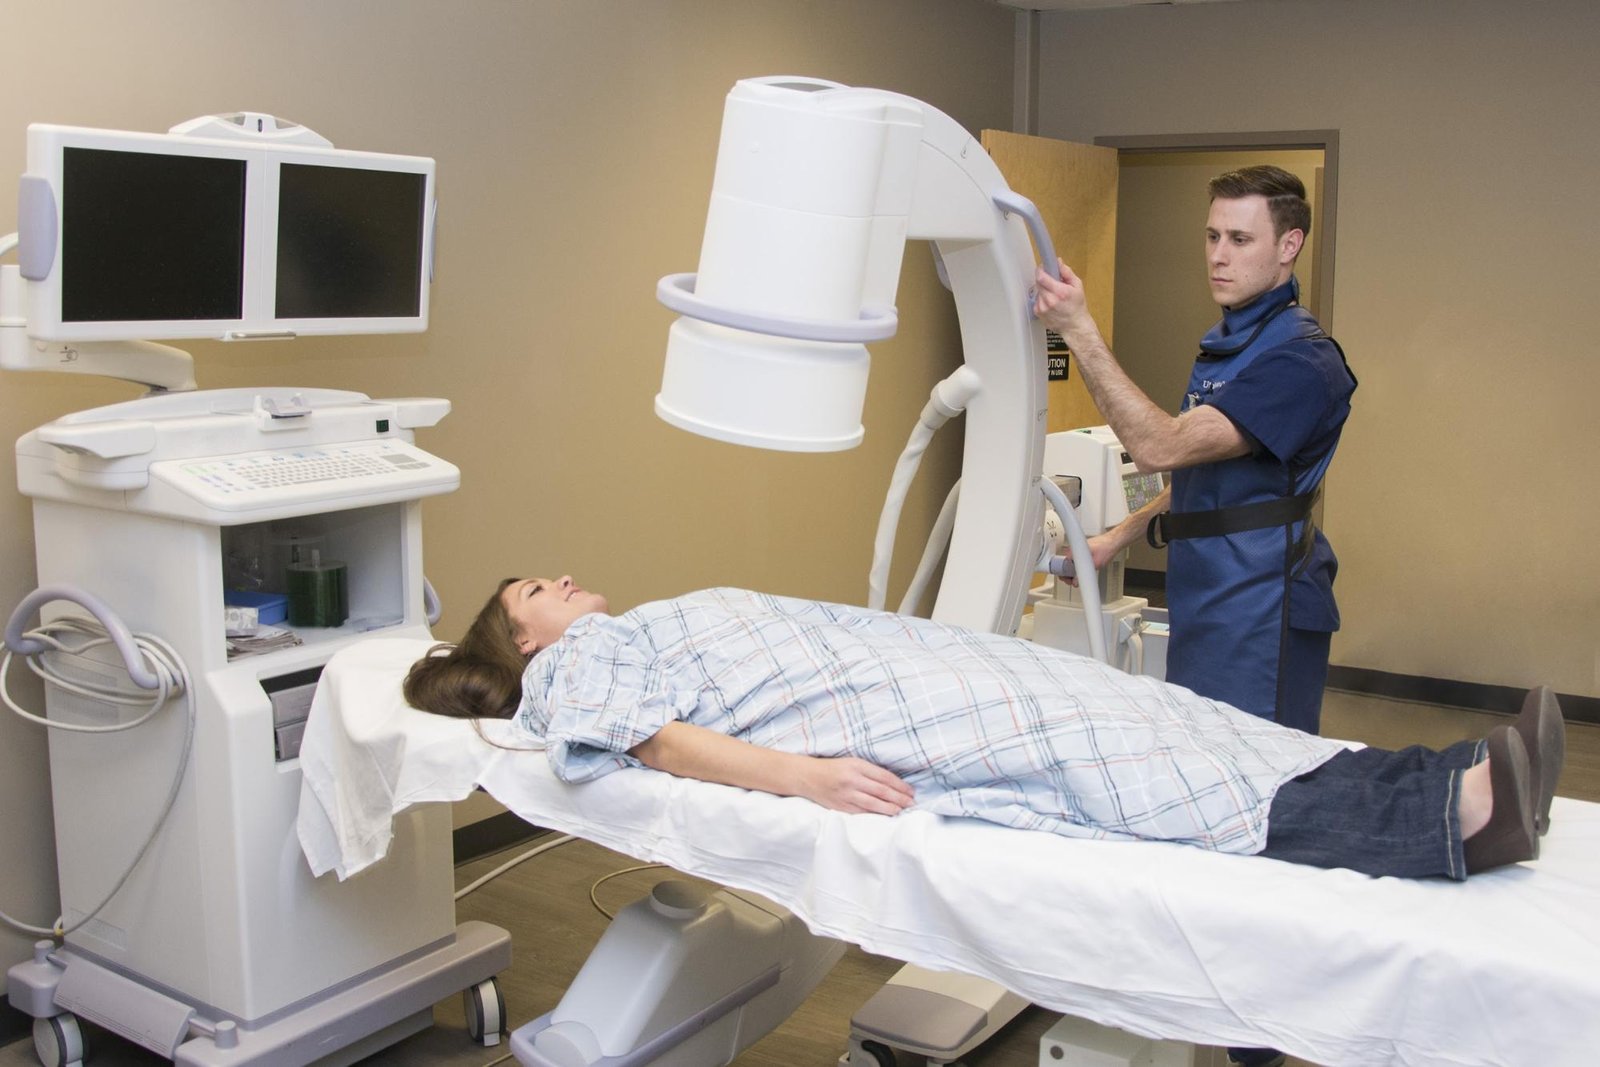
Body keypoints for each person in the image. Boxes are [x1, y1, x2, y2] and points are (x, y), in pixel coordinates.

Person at [404, 575, 1565, 883]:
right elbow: (655, 742)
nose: (561, 579)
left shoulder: (611, 632)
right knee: (1114, 751)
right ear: (525, 641)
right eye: (536, 590)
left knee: (1146, 712)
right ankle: (1451, 813)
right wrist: (807, 778)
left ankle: (1439, 770)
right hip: (893, 711)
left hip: (916, 672)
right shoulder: (576, 665)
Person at [1033, 165, 1357, 738]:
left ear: (1289, 246)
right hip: (1206, 592)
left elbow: (1159, 447)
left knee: (1253, 759)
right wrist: (1116, 538)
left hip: (1260, 604)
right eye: (1212, 236)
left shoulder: (1302, 363)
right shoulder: (1232, 344)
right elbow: (1202, 478)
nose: (1218, 256)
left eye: (1240, 239)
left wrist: (1078, 329)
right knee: (1200, 747)